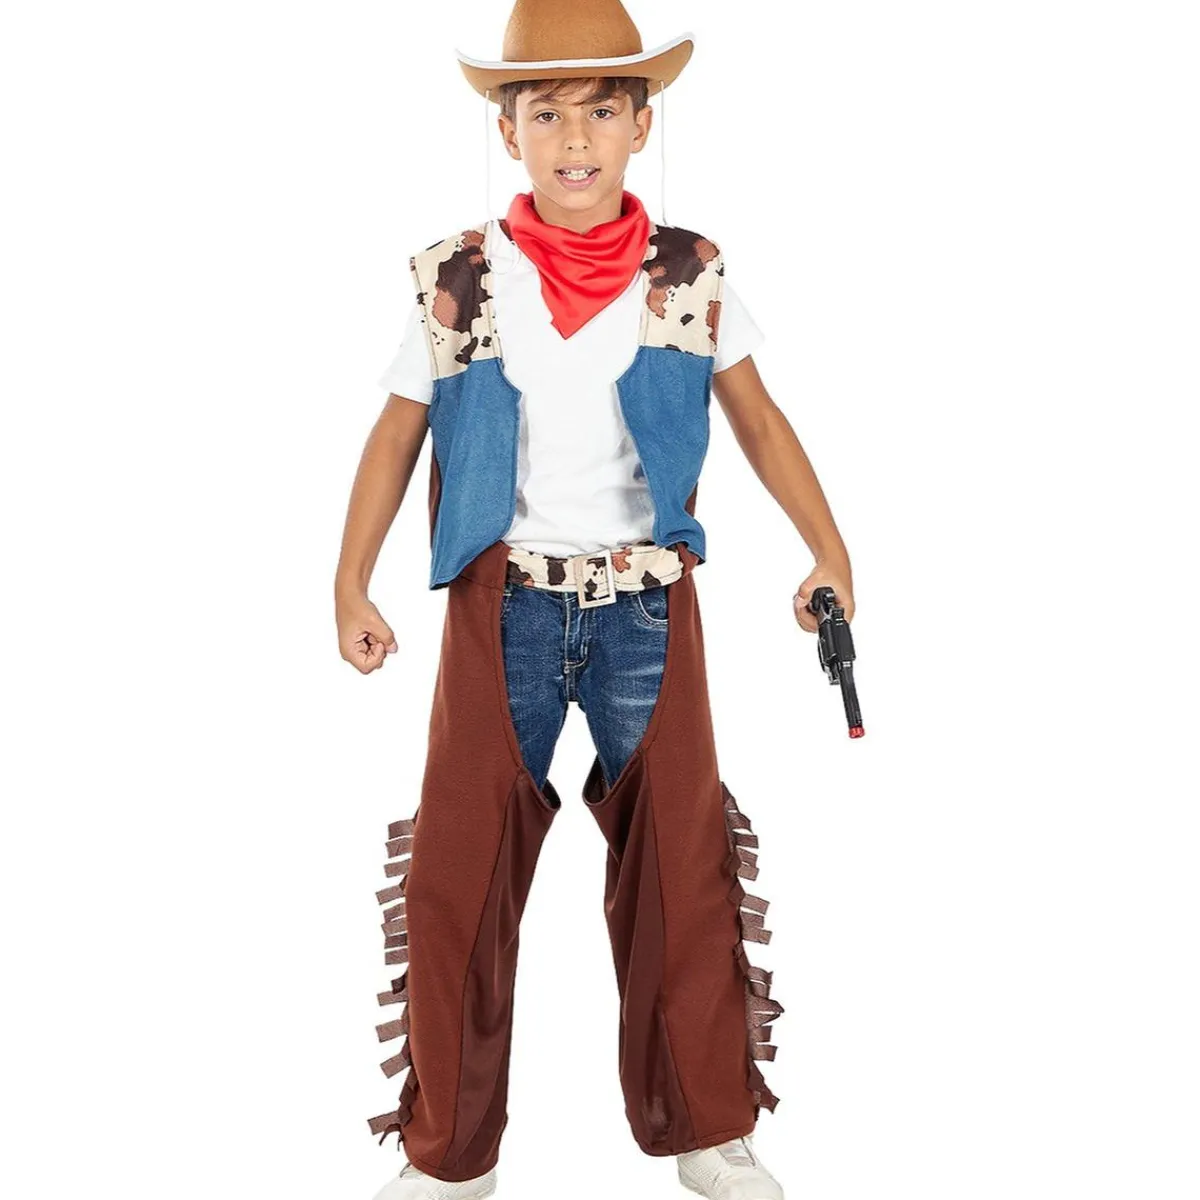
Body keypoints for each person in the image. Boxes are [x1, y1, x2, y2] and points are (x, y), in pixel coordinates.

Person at [334, 2, 855, 1197]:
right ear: (508, 131)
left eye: (603, 111)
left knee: (683, 860)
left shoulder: (688, 273)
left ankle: (709, 1128)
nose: (577, 137)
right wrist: (349, 579)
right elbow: (395, 434)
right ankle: (447, 1155)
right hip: (501, 604)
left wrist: (828, 548)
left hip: (647, 605)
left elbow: (759, 419)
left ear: (641, 126)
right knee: (460, 868)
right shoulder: (459, 277)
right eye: (548, 112)